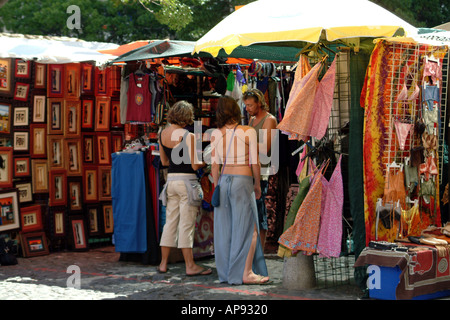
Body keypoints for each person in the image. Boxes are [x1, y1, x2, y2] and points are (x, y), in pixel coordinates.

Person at [211, 96, 269, 285]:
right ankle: (246, 273)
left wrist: (217, 187)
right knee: (250, 229)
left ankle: (228, 273)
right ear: (237, 111)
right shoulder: (247, 131)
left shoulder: (215, 134)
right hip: (242, 181)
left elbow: (214, 166)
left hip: (224, 182)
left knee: (225, 229)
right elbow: (255, 162)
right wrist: (258, 185)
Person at [158, 100, 212, 276]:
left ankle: (163, 264)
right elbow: (196, 165)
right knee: (187, 225)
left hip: (171, 181)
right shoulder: (188, 136)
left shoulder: (162, 133)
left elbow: (164, 162)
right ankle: (190, 265)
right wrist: (208, 162)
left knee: (170, 223)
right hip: (187, 182)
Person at [243, 88, 278, 249]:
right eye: (246, 106)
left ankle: (260, 251)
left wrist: (244, 140)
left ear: (259, 103)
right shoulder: (251, 120)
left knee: (260, 210)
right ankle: (253, 250)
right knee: (251, 212)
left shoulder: (269, 120)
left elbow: (266, 148)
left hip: (262, 170)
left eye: (250, 105)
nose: (247, 108)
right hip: (250, 169)